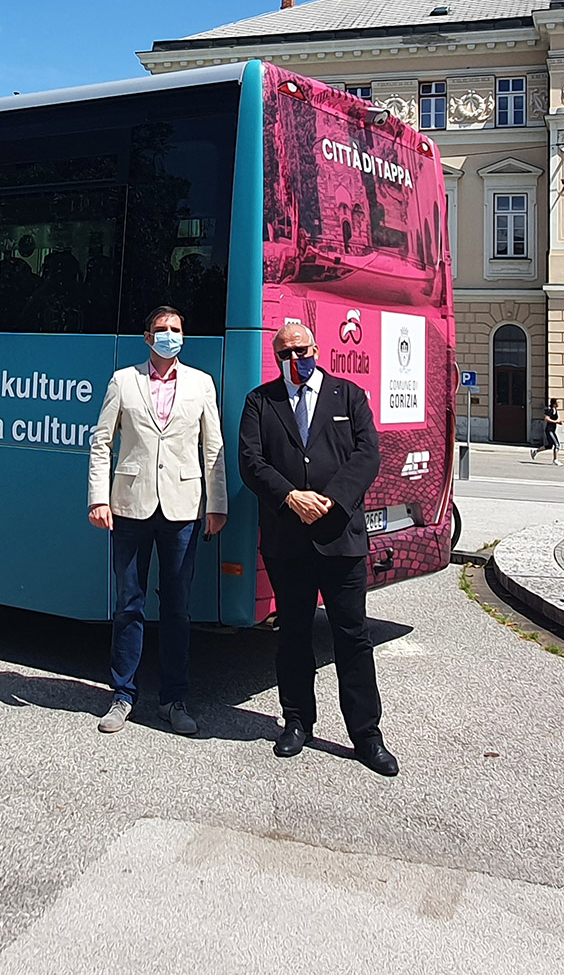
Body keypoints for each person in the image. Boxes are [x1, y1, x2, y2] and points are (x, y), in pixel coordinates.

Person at [237, 320, 396, 776]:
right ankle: (296, 722)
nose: (294, 360)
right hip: (288, 539)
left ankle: (366, 735)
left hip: (340, 537)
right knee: (292, 635)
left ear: (316, 348)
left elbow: (368, 454)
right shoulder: (260, 402)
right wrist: (290, 497)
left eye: (301, 350)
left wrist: (333, 500)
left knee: (352, 636)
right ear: (276, 356)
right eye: (285, 353)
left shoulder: (348, 395)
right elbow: (251, 461)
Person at [87, 305, 227, 735]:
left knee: (177, 608)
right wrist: (98, 499)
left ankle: (173, 699)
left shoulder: (201, 384)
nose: (169, 335)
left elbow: (213, 447)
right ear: (147, 338)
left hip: (183, 510)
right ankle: (122, 695)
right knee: (128, 603)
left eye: (176, 329)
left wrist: (216, 504)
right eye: (162, 330)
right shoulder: (123, 381)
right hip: (129, 507)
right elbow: (100, 442)